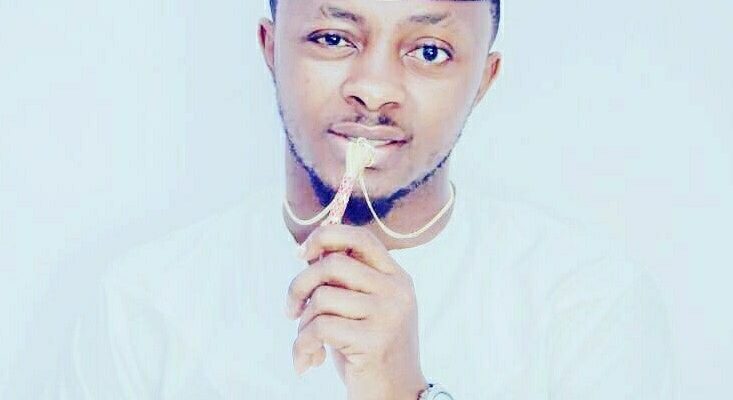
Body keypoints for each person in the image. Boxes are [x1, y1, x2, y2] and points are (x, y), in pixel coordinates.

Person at [31, 0, 672, 399]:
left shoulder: (589, 305)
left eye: (429, 51)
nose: (374, 87)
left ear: (484, 80)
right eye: (333, 38)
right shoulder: (142, 305)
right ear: (270, 49)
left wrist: (403, 393)